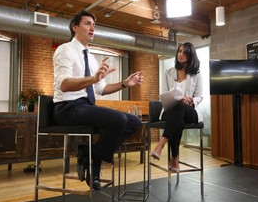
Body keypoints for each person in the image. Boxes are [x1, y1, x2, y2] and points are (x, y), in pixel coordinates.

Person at [52, 10, 143, 190]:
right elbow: (64, 84)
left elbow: (101, 89)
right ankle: (94, 163)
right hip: (67, 108)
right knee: (118, 119)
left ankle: (91, 154)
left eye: (94, 25)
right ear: (75, 27)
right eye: (87, 23)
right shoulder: (65, 49)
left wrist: (125, 84)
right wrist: (92, 79)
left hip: (85, 106)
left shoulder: (92, 59)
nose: (92, 28)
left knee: (134, 122)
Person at [150, 42, 203, 172]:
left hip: (190, 111)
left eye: (185, 52)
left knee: (181, 110)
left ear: (190, 55)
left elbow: (200, 96)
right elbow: (163, 94)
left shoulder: (196, 74)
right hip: (171, 109)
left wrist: (191, 101)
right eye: (179, 51)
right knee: (178, 114)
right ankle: (174, 158)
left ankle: (160, 145)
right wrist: (178, 99)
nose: (181, 54)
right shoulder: (168, 73)